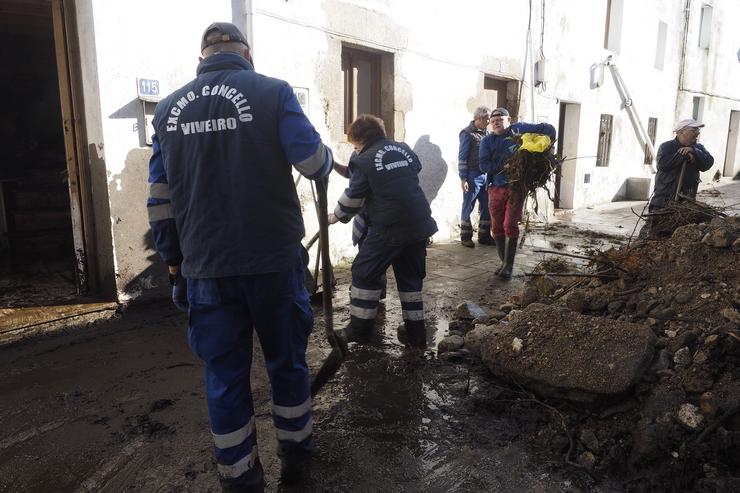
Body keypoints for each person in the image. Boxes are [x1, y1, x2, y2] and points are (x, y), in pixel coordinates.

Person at [146, 22, 333, 492]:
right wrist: (329, 159)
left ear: (202, 58)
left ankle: (240, 478)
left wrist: (173, 263)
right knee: (287, 364)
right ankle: (297, 462)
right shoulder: (272, 92)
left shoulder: (168, 112)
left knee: (225, 378)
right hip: (272, 263)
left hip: (206, 269)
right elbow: (312, 163)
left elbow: (160, 201)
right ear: (247, 55)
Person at [329, 114, 438, 347]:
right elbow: (382, 173)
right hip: (418, 224)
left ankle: (359, 329)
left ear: (360, 139)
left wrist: (335, 216)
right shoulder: (403, 149)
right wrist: (335, 166)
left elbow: (354, 197)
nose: (355, 150)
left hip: (390, 227)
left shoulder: (364, 159)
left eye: (355, 145)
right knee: (410, 279)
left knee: (364, 272)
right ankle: (416, 332)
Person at [479, 107, 556, 279]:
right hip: (495, 187)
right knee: (497, 227)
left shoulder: (519, 129)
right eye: (493, 121)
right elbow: (483, 166)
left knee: (509, 224)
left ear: (509, 120)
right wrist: (503, 167)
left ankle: (508, 266)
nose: (496, 123)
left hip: (516, 187)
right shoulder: (487, 141)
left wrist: (549, 147)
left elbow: (549, 129)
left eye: (500, 119)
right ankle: (504, 262)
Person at [648, 118, 714, 212]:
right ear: (681, 131)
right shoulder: (666, 147)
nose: (697, 133)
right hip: (663, 201)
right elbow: (663, 164)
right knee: (655, 225)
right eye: (694, 130)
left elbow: (708, 163)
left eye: (698, 130)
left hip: (686, 203)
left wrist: (694, 151)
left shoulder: (698, 148)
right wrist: (684, 155)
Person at [458, 106, 493, 247]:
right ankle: (465, 236)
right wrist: (463, 178)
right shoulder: (467, 133)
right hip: (472, 175)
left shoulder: (488, 134)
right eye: (487, 119)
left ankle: (484, 236)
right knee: (468, 205)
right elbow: (462, 157)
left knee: (487, 205)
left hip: (486, 176)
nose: (489, 121)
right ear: (479, 118)